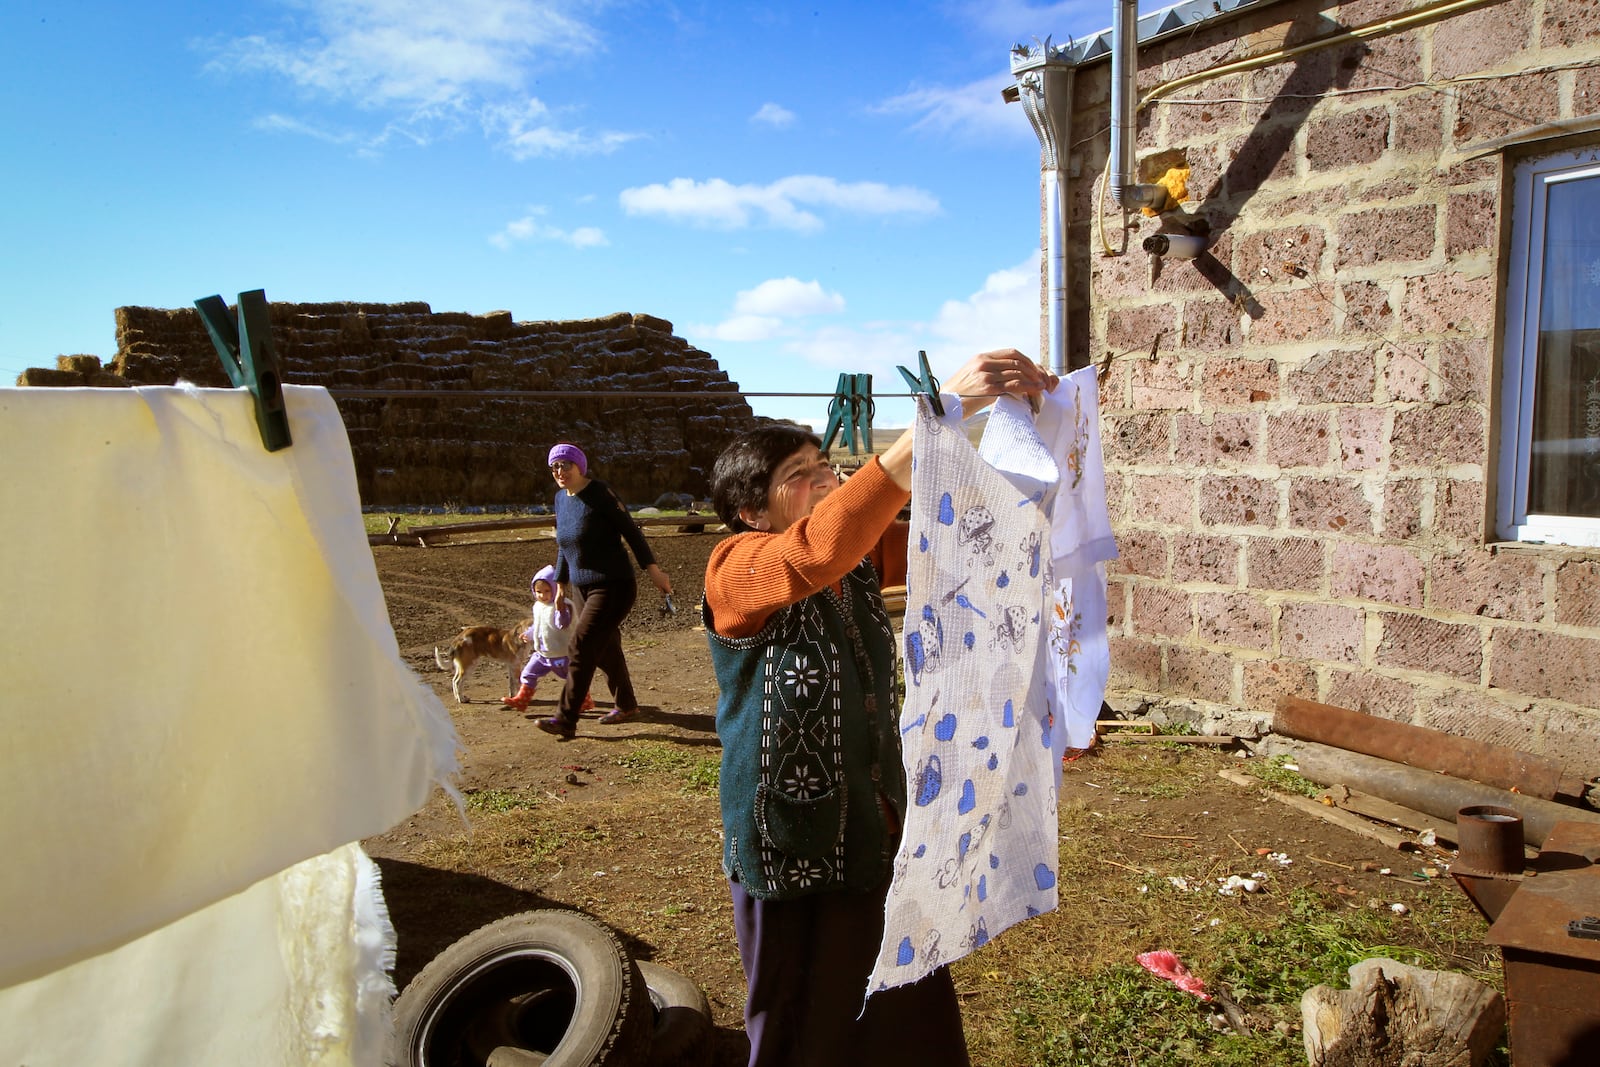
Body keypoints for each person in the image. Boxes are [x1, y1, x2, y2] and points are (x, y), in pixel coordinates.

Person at [702, 349, 1056, 1067]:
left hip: (876, 820)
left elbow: (959, 529)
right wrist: (935, 412)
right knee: (796, 1015)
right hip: (788, 834)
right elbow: (814, 551)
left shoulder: (858, 558)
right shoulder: (735, 567)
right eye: (798, 478)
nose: (824, 483)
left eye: (824, 469)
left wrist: (1030, 434)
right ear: (749, 509)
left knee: (898, 996)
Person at [536, 442, 673, 738]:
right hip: (581, 589)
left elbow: (631, 532)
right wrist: (560, 585)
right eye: (554, 467)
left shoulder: (599, 493)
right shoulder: (561, 499)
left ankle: (565, 719)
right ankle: (626, 705)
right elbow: (564, 545)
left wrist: (654, 571)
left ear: (579, 466)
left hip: (613, 585)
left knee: (581, 646)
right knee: (605, 649)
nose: (560, 471)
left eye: (565, 465)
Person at [500, 565, 578, 711]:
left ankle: (583, 700)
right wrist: (529, 634)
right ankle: (522, 699)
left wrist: (560, 610)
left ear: (555, 589)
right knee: (528, 673)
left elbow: (563, 624)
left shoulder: (562, 605)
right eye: (539, 592)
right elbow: (539, 624)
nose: (543, 595)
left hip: (561, 653)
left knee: (573, 678)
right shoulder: (538, 606)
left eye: (547, 591)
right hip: (542, 653)